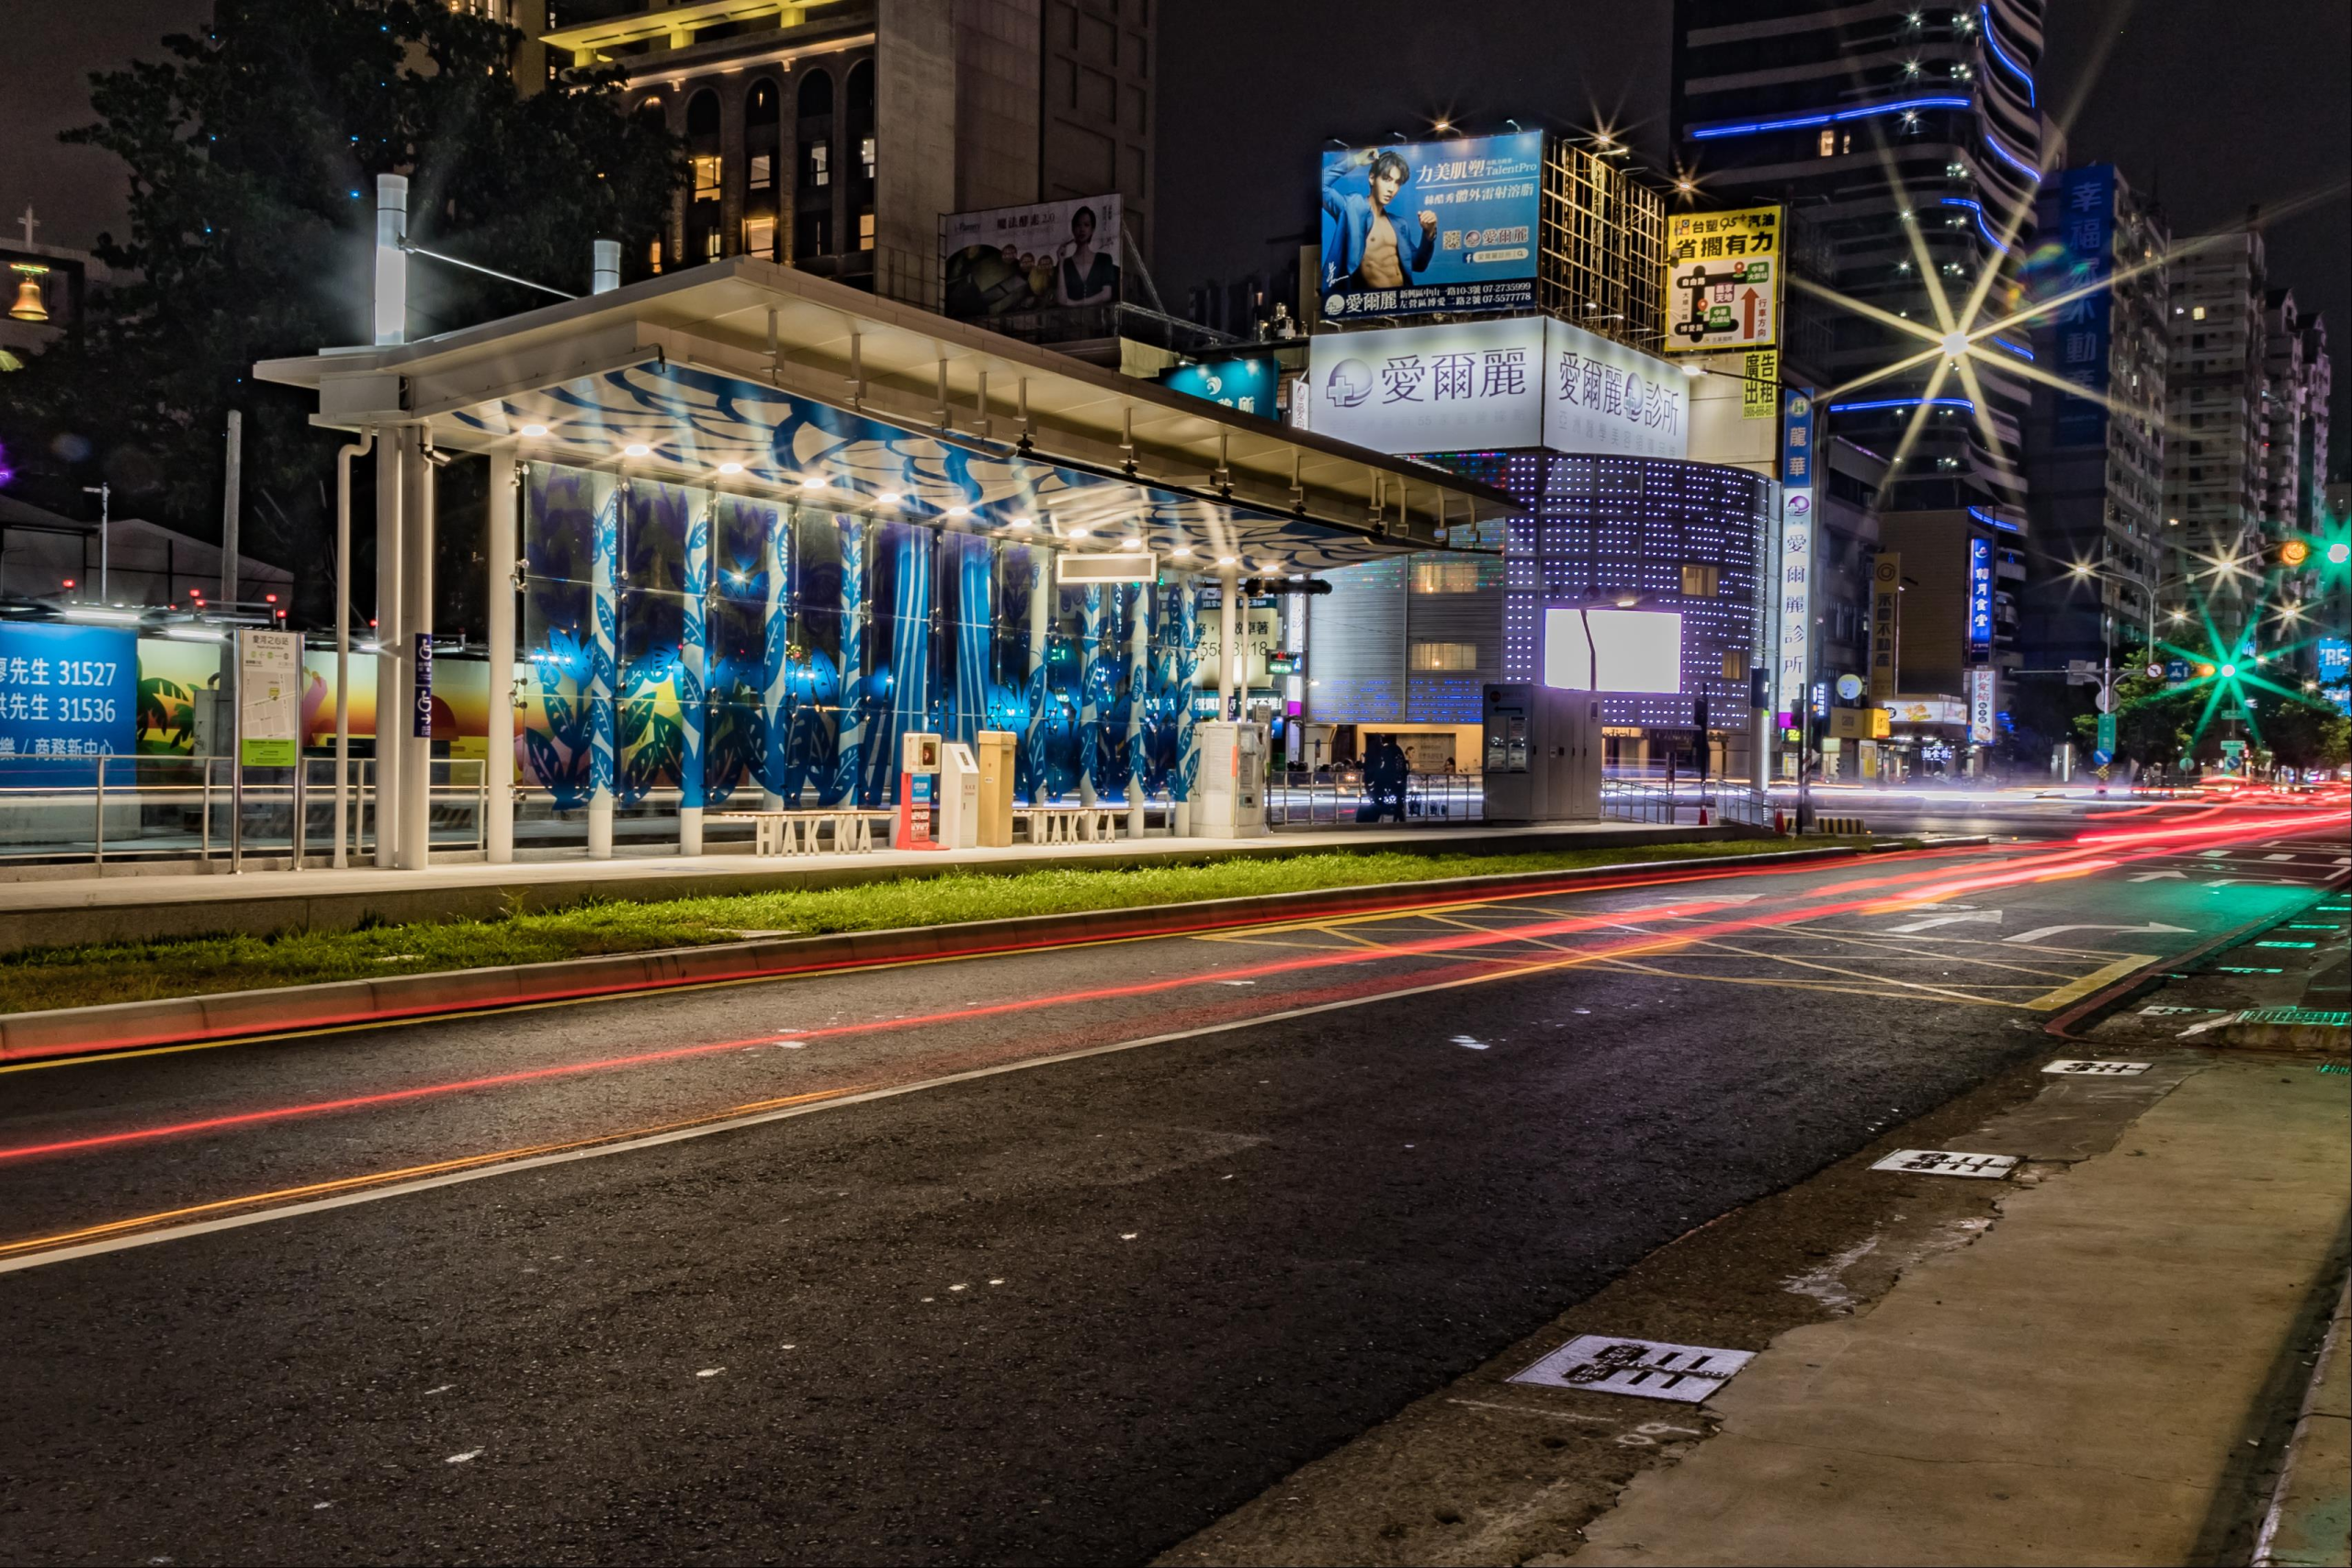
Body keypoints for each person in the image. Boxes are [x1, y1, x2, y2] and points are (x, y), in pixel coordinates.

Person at [1321, 148, 1436, 296]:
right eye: (1387, 179)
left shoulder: (1400, 225)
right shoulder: (1351, 209)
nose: (1391, 189)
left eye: (1397, 183)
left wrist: (1429, 233)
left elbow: (1419, 264)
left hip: (1402, 303)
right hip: (1369, 306)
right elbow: (1320, 184)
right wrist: (1354, 161)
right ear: (1372, 177)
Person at [1056, 206, 1119, 307]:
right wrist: (1061, 262)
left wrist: (1075, 303)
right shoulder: (1065, 264)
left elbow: (1106, 294)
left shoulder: (1104, 260)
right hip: (1069, 320)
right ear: (1073, 229)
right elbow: (1061, 300)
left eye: (1086, 225)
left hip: (1098, 319)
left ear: (1092, 230)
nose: (1082, 229)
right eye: (1078, 225)